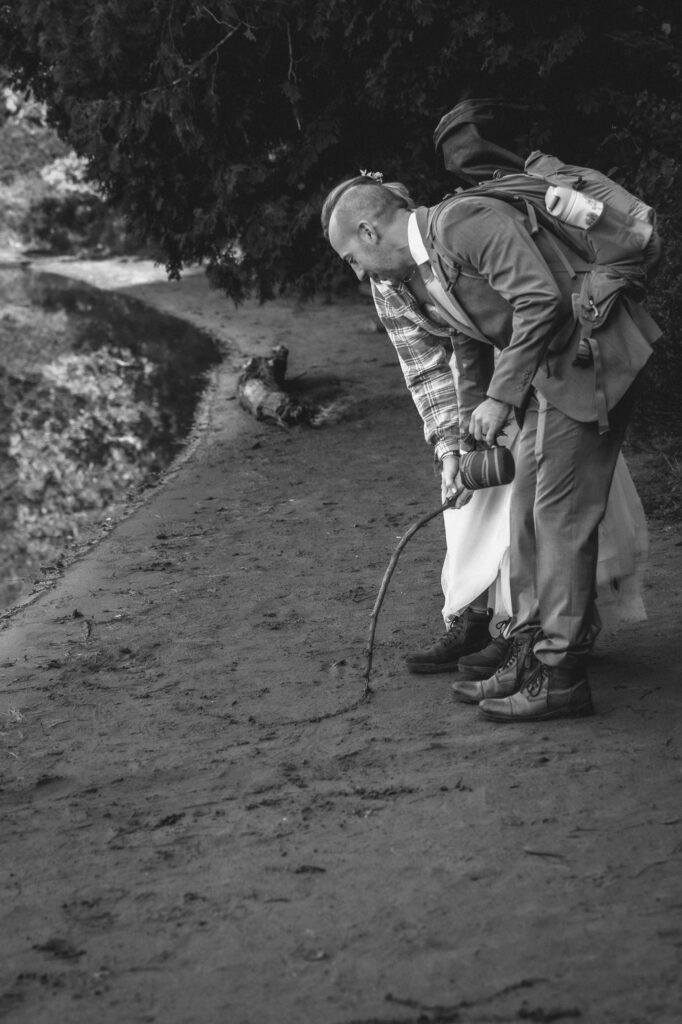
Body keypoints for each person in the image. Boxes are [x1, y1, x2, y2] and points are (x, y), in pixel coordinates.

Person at [321, 174, 660, 722]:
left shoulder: (463, 222)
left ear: (368, 228)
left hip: (588, 362)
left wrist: (501, 401)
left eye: (352, 257)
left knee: (559, 521)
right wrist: (466, 432)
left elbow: (540, 299)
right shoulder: (428, 260)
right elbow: (468, 334)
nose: (357, 272)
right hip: (551, 376)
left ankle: (562, 676)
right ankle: (528, 655)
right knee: (524, 514)